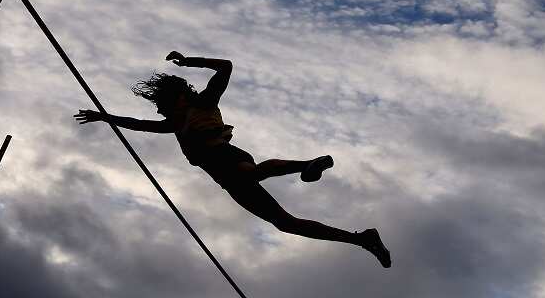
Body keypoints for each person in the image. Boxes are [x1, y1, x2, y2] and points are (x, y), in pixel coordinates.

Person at [75, 51, 391, 268]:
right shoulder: (175, 123)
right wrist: (104, 117)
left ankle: (304, 165)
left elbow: (225, 66)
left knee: (252, 173)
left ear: (180, 97)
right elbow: (141, 125)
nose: (163, 111)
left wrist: (189, 62)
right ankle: (361, 239)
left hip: (228, 156)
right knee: (284, 223)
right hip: (227, 179)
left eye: (166, 104)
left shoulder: (203, 102)